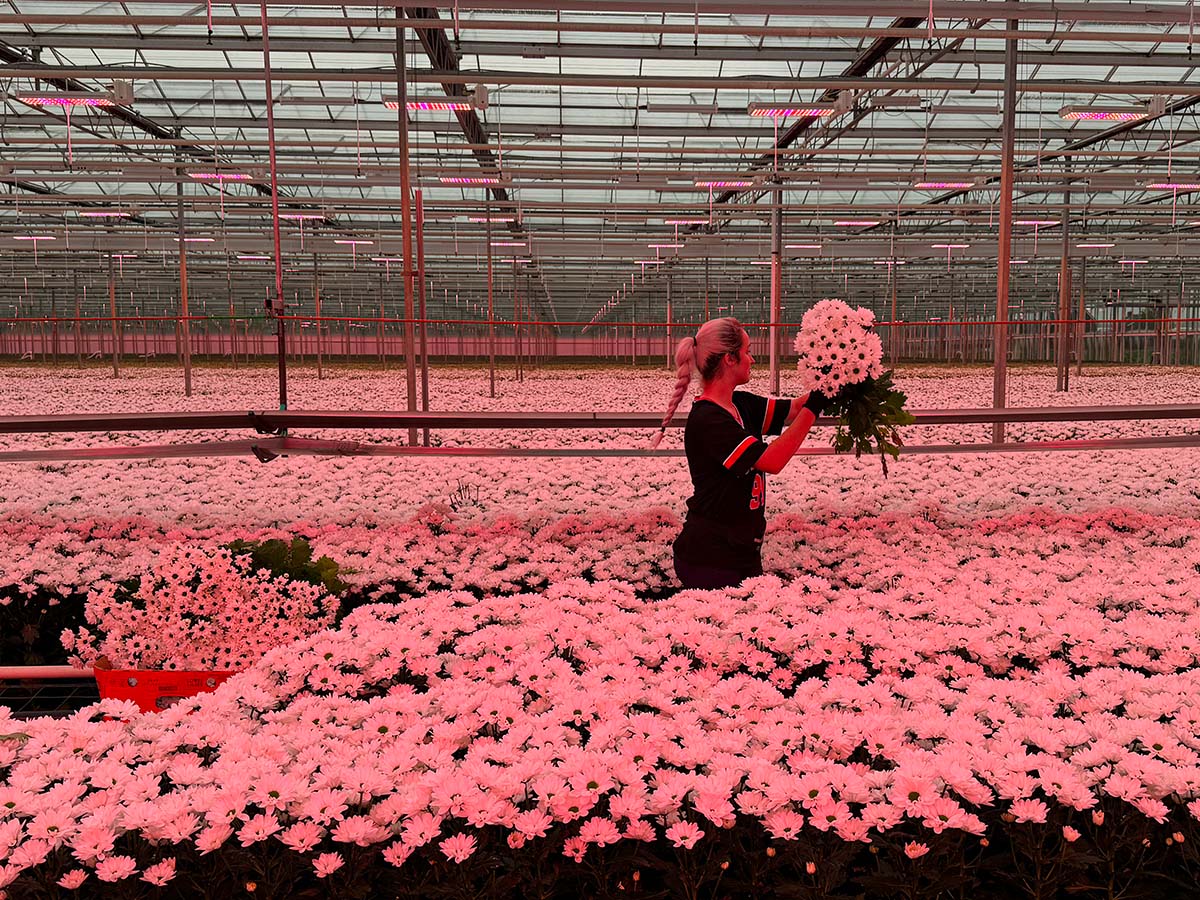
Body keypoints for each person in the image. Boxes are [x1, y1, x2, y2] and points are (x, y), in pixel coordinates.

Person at [654, 317, 826, 590]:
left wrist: (832, 381)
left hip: (740, 552)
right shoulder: (709, 420)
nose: (752, 359)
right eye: (747, 351)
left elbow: (793, 410)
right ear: (729, 359)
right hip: (710, 557)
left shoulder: (739, 404)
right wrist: (814, 408)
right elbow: (772, 460)